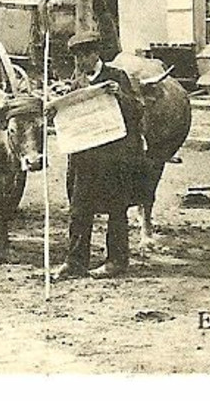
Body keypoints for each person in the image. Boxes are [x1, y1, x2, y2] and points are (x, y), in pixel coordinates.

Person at [48, 31, 144, 280]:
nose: (80, 62)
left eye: (84, 56)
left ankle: (116, 261)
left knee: (116, 209)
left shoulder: (116, 77)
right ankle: (75, 262)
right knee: (79, 210)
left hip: (112, 159)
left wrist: (119, 96)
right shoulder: (78, 81)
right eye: (77, 57)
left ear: (95, 54)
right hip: (84, 160)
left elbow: (137, 110)